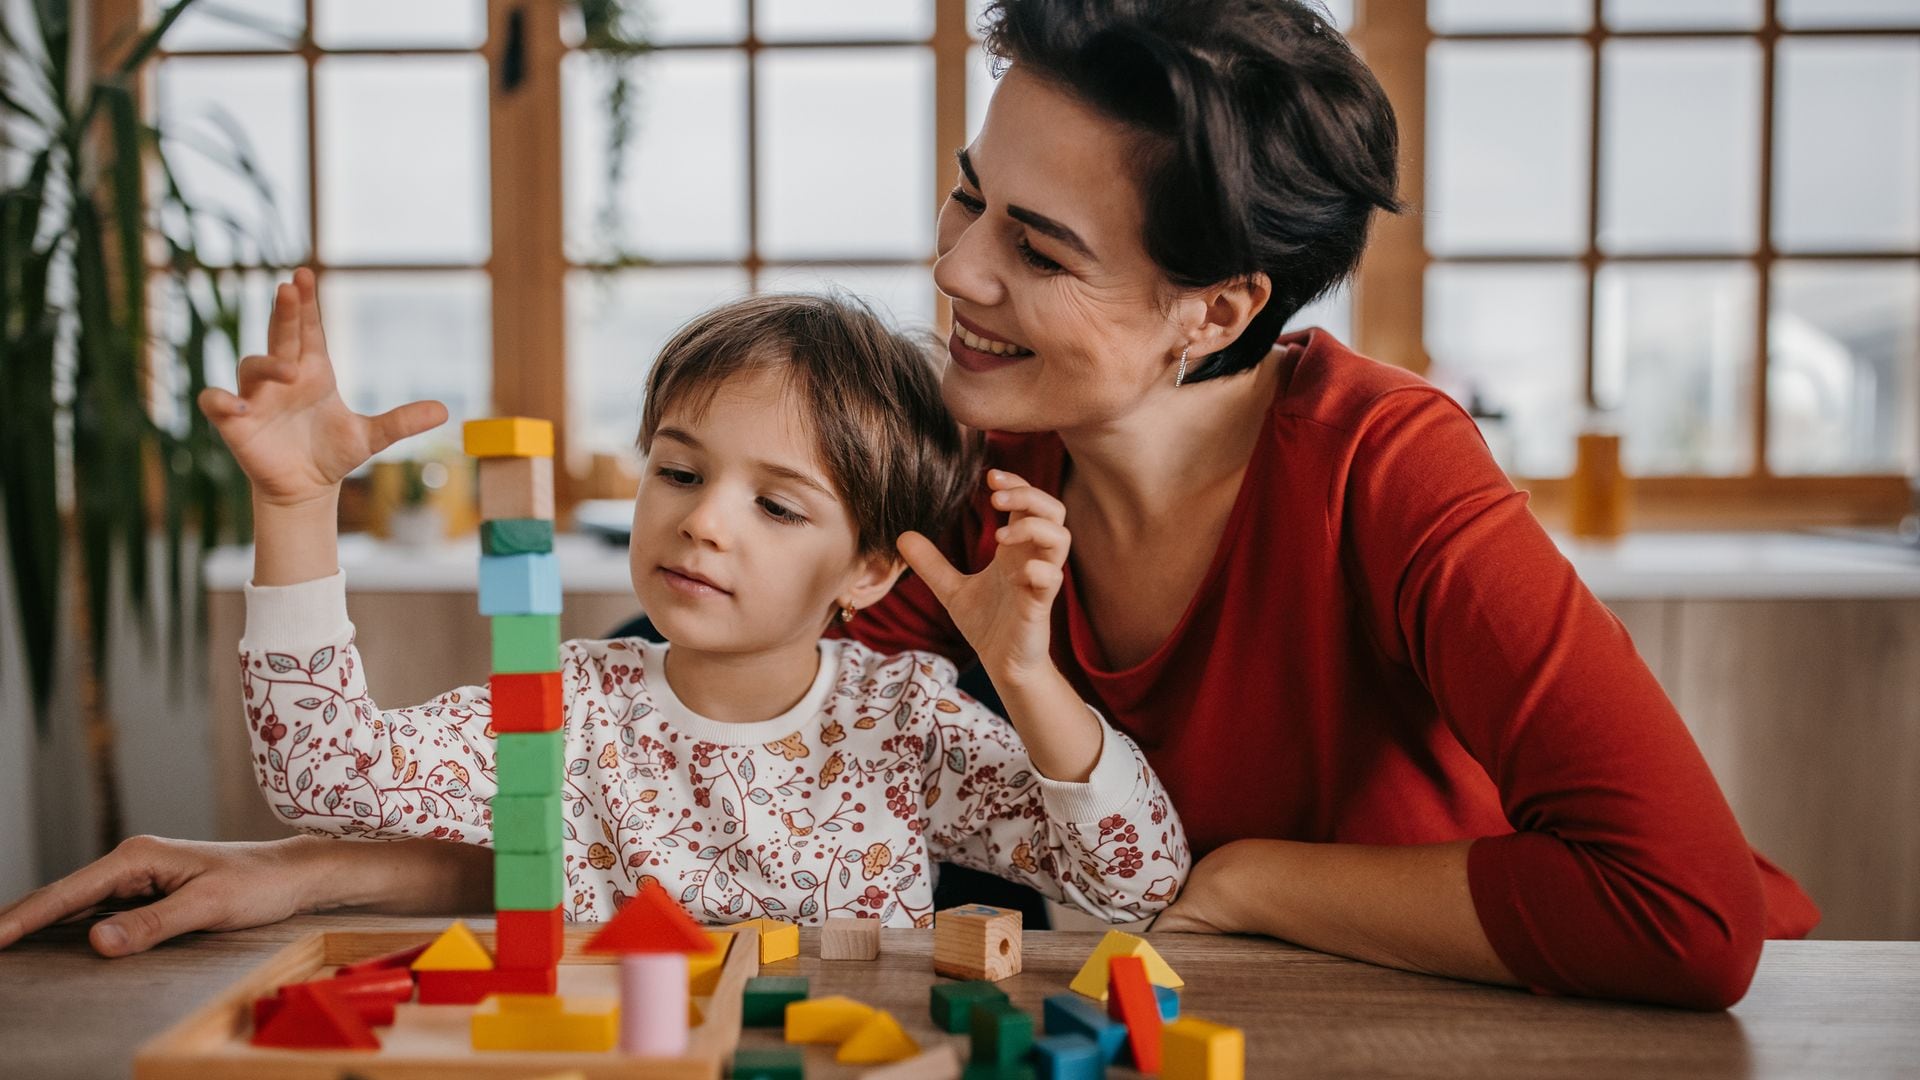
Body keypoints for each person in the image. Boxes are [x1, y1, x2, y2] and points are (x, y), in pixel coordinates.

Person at [1, 0, 1815, 1011]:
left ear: (1218, 309)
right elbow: (679, 792)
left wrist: (1245, 881)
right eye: (965, 199)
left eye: (1032, 245)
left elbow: (1680, 914)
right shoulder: (957, 486)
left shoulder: (1396, 476)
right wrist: (301, 869)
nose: (950, 273)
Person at [222, 276, 1184, 926]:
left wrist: (1025, 673)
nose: (705, 522)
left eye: (775, 504)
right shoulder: (571, 709)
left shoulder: (904, 725)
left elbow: (1138, 880)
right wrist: (297, 506)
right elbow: (325, 779)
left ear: (870, 573)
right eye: (679, 471)